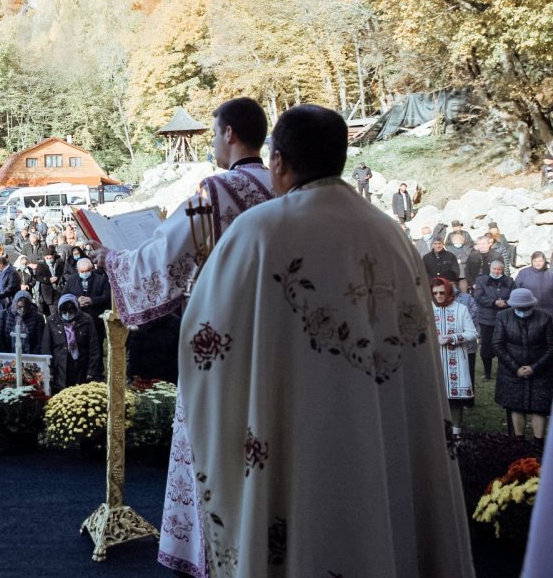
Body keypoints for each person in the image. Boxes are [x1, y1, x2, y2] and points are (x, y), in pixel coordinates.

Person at [177, 104, 474, 576]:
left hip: (297, 437)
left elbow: (205, 343)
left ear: (278, 161)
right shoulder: (391, 233)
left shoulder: (259, 231)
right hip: (382, 433)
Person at [93, 98, 277, 578]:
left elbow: (160, 258)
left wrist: (111, 258)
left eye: (215, 134)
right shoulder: (284, 187)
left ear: (230, 133)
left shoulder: (218, 192)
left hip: (220, 341)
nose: (215, 143)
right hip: (274, 337)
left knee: (212, 443)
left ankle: (209, 553)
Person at [494, 288, 553, 443]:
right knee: (516, 405)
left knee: (539, 407)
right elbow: (498, 344)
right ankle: (518, 443)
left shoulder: (546, 318)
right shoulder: (502, 317)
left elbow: (551, 346)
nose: (522, 311)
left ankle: (539, 443)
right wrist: (515, 368)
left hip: (541, 371)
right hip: (512, 371)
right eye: (519, 308)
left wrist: (535, 367)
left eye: (526, 308)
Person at [430, 277, 476, 437]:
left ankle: (456, 434)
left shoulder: (461, 309)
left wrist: (453, 338)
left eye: (442, 292)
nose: (438, 296)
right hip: (433, 360)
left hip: (455, 359)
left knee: (455, 399)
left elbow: (472, 333)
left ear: (449, 292)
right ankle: (436, 434)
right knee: (434, 398)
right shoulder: (427, 309)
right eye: (434, 293)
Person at [41, 294, 101, 394]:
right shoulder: (52, 321)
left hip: (81, 364)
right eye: (64, 312)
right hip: (59, 365)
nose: (68, 315)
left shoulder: (86, 320)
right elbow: (46, 346)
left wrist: (92, 370)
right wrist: (48, 369)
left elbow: (94, 346)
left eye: (71, 312)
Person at [473, 259, 515, 381]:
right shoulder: (481, 280)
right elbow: (478, 296)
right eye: (494, 269)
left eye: (499, 270)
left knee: (505, 345)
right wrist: (494, 302)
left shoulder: (509, 281)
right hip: (487, 319)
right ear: (490, 269)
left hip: (505, 318)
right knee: (486, 346)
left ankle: (504, 371)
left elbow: (514, 295)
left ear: (502, 270)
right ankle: (487, 373)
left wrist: (506, 302)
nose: (496, 272)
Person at [0, 290, 44, 358]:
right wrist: (5, 354)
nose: (22, 310)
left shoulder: (37, 317)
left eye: (25, 307)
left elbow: (40, 341)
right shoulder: (5, 315)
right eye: (20, 307)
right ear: (15, 303)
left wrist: (33, 356)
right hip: (8, 355)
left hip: (30, 356)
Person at [515, 251, 553, 315]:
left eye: (540, 261)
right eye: (535, 261)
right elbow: (516, 290)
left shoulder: (551, 274)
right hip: (529, 311)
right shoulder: (524, 273)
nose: (537, 264)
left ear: (545, 261)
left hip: (549, 311)